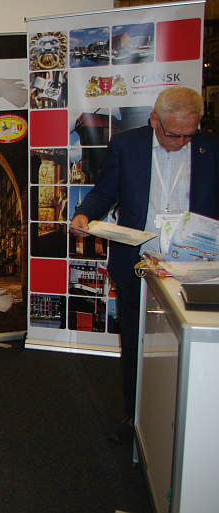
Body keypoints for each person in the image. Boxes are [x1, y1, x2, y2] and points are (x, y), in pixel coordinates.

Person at [71, 86, 219, 441]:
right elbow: (105, 192)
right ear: (155, 120)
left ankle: (190, 425)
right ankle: (134, 417)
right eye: (173, 134)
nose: (181, 142)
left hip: (195, 266)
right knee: (137, 344)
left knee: (191, 345)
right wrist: (83, 214)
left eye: (189, 134)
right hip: (139, 262)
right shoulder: (127, 145)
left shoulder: (212, 148)